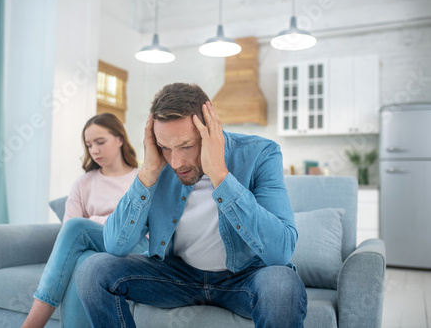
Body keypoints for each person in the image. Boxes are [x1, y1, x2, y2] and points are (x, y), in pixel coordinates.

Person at [76, 83, 308, 327]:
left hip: (245, 278)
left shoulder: (261, 154)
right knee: (93, 270)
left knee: (283, 284)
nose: (176, 162)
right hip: (179, 277)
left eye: (186, 146)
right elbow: (115, 245)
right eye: (166, 148)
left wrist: (220, 175)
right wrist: (149, 173)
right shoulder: (159, 164)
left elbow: (280, 251)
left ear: (210, 131)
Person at [22, 113, 148, 328]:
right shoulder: (83, 183)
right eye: (89, 145)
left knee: (79, 229)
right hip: (95, 250)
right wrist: (103, 223)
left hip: (135, 247)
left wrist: (94, 221)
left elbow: (144, 228)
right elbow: (68, 232)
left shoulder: (142, 178)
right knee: (84, 260)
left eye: (100, 142)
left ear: (120, 139)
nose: (94, 150)